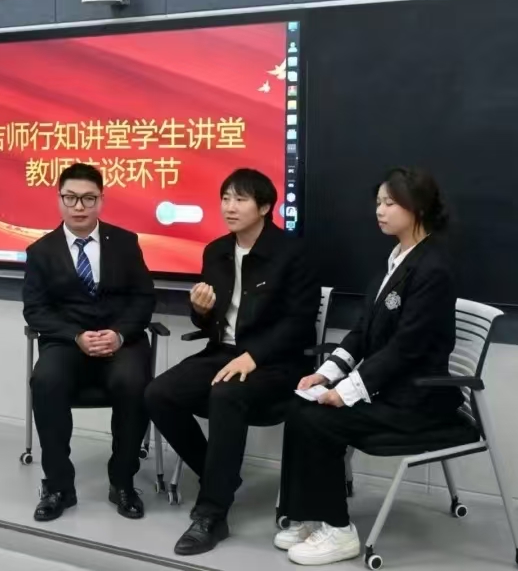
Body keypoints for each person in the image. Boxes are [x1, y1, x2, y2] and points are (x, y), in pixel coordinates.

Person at [275, 167, 461, 566]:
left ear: (418, 207)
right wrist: (326, 373)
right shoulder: (394, 260)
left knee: (320, 420)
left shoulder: (433, 268)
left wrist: (344, 393)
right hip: (388, 388)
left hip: (418, 400)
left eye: (390, 203)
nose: (380, 210)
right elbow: (362, 332)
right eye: (378, 202)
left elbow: (406, 349)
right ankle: (307, 514)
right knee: (299, 407)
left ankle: (339, 531)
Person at [145, 168, 318, 556]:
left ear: (265, 207)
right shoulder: (216, 251)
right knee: (158, 393)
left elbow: (299, 323)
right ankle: (219, 477)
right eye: (225, 198)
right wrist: (200, 310)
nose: (230, 207)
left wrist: (254, 356)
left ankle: (212, 514)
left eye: (240, 199)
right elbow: (209, 323)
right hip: (223, 354)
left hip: (277, 362)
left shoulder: (292, 254)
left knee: (225, 394)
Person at [22, 162, 156, 523]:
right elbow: (35, 310)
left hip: (120, 342)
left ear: (101, 200)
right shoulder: (41, 251)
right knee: (45, 380)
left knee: (133, 382)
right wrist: (76, 336)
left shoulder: (125, 243)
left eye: (88, 198)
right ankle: (58, 486)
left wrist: (119, 333)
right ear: (59, 199)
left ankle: (123, 482)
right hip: (67, 344)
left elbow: (143, 298)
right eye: (70, 198)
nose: (79, 206)